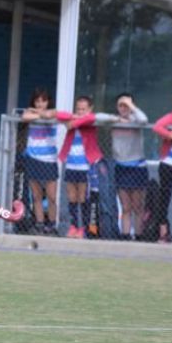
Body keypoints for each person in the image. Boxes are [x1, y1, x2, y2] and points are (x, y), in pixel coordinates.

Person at [97, 93, 149, 240]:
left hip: (137, 167)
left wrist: (132, 107)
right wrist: (116, 118)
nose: (124, 107)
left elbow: (144, 120)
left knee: (137, 206)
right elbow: (97, 117)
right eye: (121, 105)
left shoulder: (135, 120)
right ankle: (125, 235)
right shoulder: (114, 121)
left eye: (127, 105)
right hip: (121, 167)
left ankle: (139, 236)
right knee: (125, 207)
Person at [56, 96, 102, 238]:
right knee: (72, 197)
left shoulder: (90, 121)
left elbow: (89, 119)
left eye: (83, 109)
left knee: (83, 198)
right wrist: (73, 117)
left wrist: (75, 119)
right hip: (71, 164)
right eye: (78, 109)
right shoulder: (73, 119)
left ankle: (84, 228)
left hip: (85, 166)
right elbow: (59, 116)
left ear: (90, 109)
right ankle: (74, 226)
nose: (81, 112)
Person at [20, 88, 60, 235]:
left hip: (49, 160)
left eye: (43, 100)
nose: (40, 103)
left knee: (51, 197)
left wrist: (36, 113)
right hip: (32, 158)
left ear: (48, 101)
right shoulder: (29, 112)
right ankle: (40, 224)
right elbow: (25, 117)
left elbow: (50, 115)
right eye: (37, 101)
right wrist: (36, 114)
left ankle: (52, 225)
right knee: (36, 196)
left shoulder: (54, 112)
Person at [152, 90, 172, 244]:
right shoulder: (169, 117)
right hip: (168, 163)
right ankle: (163, 234)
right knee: (165, 198)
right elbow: (157, 127)